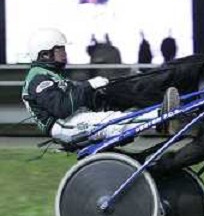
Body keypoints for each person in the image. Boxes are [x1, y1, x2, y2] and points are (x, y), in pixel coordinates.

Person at [22, 28, 180, 145]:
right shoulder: (39, 79)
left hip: (73, 119)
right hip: (64, 126)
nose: (64, 53)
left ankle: (159, 117)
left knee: (119, 99)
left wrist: (98, 91)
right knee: (112, 122)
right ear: (45, 54)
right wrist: (88, 86)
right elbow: (62, 107)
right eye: (60, 50)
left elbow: (73, 96)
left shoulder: (50, 73)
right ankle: (161, 115)